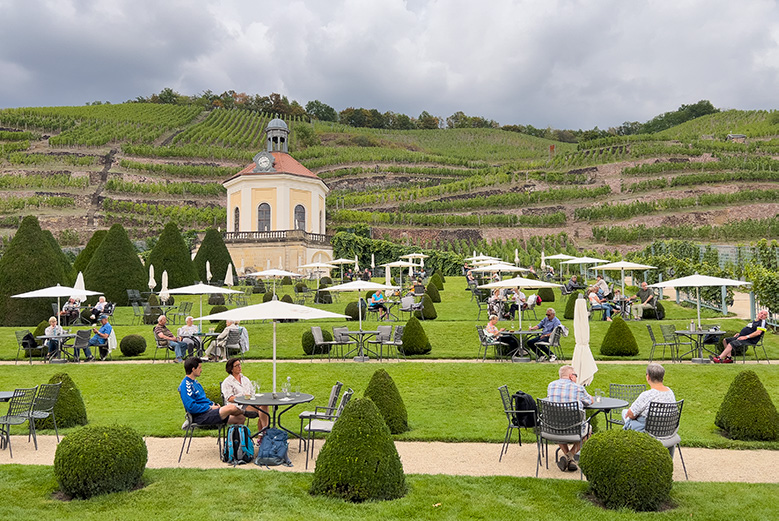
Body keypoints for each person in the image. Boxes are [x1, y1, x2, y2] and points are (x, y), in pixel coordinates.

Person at [546, 365, 593, 472]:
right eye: (575, 375)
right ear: (572, 376)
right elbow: (590, 401)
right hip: (575, 429)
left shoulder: (551, 386)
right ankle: (570, 456)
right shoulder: (579, 388)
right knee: (588, 430)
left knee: (558, 423)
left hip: (554, 428)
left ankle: (568, 458)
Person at [179, 357, 245, 428]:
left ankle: (237, 438)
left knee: (240, 418)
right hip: (200, 416)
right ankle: (248, 413)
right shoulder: (186, 385)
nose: (201, 370)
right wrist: (210, 407)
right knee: (230, 407)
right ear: (193, 369)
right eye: (199, 367)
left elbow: (203, 399)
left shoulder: (196, 383)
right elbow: (191, 407)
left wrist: (213, 404)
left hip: (208, 412)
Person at [623, 363, 676, 433]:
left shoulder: (647, 395)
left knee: (624, 412)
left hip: (648, 430)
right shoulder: (670, 392)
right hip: (667, 430)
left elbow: (631, 414)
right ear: (662, 377)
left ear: (648, 377)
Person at [221, 358, 269, 433]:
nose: (239, 367)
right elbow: (229, 398)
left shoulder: (245, 379)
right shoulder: (227, 382)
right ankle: (265, 433)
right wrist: (243, 397)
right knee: (262, 411)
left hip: (250, 403)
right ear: (231, 369)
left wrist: (251, 397)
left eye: (239, 364)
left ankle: (263, 434)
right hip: (238, 406)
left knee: (264, 406)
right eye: (236, 366)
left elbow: (252, 393)